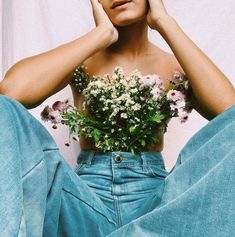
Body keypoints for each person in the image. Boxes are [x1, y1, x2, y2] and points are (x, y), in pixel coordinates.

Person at [0, 0, 235, 236]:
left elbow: (230, 117)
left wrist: (165, 22)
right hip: (85, 205)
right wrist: (101, 34)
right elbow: (10, 94)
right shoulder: (81, 61)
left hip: (154, 208)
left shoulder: (174, 66)